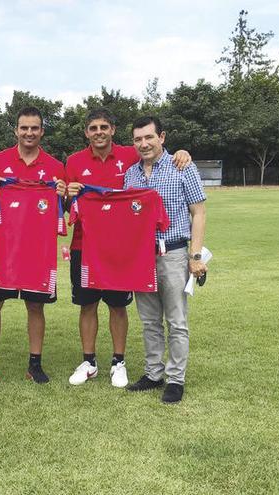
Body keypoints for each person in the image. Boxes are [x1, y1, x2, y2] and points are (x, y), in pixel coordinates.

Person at [65, 109, 191, 388]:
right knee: (87, 305)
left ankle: (118, 362)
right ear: (86, 132)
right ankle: (89, 361)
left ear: (112, 129)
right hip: (83, 246)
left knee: (117, 305)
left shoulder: (130, 157)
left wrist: (180, 152)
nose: (98, 132)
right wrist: (68, 194)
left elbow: (157, 152)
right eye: (93, 128)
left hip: (123, 248)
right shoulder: (73, 161)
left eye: (104, 127)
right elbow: (65, 202)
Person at [0, 107, 67, 384]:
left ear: (42, 132)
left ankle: (35, 364)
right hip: (2, 247)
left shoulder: (54, 167)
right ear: (16, 130)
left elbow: (66, 205)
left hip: (39, 249)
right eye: (24, 128)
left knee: (35, 307)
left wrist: (61, 195)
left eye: (34, 128)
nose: (29, 133)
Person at [123, 116, 207, 404]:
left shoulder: (182, 166)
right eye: (138, 139)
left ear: (162, 137)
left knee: (176, 320)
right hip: (141, 257)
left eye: (149, 137)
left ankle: (175, 379)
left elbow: (199, 213)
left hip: (172, 252)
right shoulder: (131, 175)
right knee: (149, 321)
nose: (144, 144)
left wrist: (195, 256)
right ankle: (153, 373)